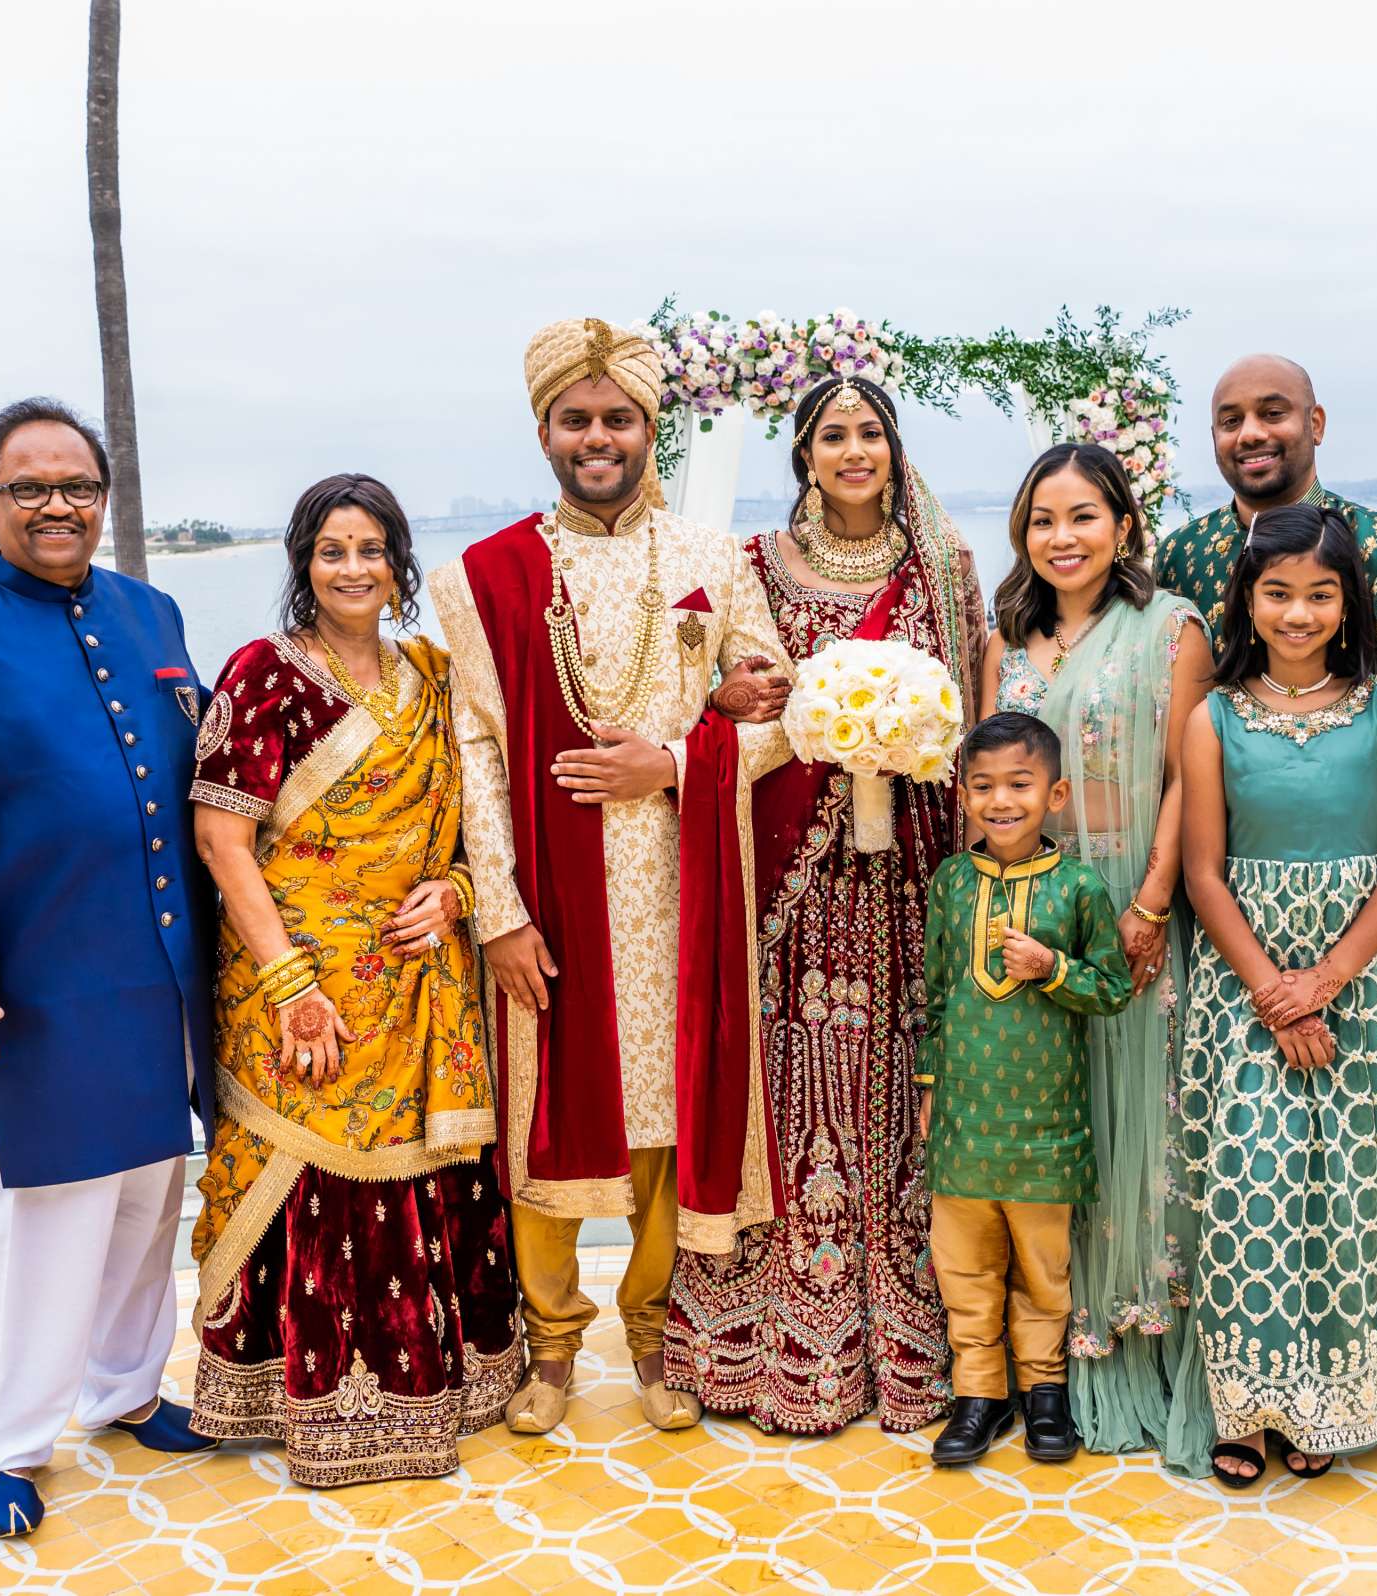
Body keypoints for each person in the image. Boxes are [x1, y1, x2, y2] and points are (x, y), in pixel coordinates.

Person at [427, 317, 794, 1436]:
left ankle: (650, 1336)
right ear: (544, 430)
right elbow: (473, 752)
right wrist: (499, 913)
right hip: (549, 886)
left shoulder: (708, 560)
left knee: (662, 1121)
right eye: (577, 420)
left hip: (684, 888)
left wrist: (674, 761)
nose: (599, 437)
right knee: (544, 1116)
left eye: (619, 419)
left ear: (652, 431)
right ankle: (549, 1349)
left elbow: (783, 715)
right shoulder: (479, 576)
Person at [0, 397, 217, 1539]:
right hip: (37, 983)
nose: (57, 505)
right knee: (40, 1212)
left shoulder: (151, 610)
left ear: (103, 500)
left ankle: (124, 1391)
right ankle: (5, 1447)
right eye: (30, 488)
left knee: (148, 1194)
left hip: (166, 969)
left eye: (76, 486)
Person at [185, 474, 521, 1485]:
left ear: (399, 561)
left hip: (418, 985)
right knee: (317, 1172)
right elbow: (219, 837)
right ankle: (302, 1399)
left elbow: (473, 823)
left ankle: (444, 1391)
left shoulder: (433, 674)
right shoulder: (264, 673)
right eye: (332, 551)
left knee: (426, 1167)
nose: (353, 568)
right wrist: (294, 985)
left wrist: (458, 892)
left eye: (371, 549)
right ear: (303, 564)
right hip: (300, 980)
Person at [665, 376, 981, 1436]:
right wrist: (724, 703)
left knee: (896, 1084)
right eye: (832, 436)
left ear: (895, 450)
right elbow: (705, 695)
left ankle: (901, 1336)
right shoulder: (751, 566)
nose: (855, 451)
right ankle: (767, 1340)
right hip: (791, 882)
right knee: (788, 1081)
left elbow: (975, 711)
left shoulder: (945, 566)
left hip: (906, 882)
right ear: (803, 455)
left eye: (872, 434)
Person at [1166, 502, 1377, 1487]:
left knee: (1354, 1190)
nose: (1298, 613)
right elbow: (1204, 871)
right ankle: (1249, 1401)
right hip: (1245, 983)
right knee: (1253, 1191)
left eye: (1319, 593)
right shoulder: (1212, 718)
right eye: (1277, 594)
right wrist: (1272, 990)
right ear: (1246, 603)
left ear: (1347, 603)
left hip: (1370, 985)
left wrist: (1327, 980)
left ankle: (1335, 1398)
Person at [977, 442, 1213, 1455]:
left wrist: (1153, 902)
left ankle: (1141, 1351)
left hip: (1130, 914)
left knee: (1138, 1127)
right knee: (1053, 1121)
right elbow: (987, 782)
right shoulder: (1009, 642)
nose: (1061, 538)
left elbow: (1188, 776)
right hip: (1034, 917)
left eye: (1082, 516)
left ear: (1124, 525)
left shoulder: (1171, 630)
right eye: (1042, 519)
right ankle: (1047, 1371)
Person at [919, 712, 1134, 1467]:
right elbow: (938, 995)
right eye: (983, 786)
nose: (1000, 800)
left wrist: (1054, 969)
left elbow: (1112, 990)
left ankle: (1046, 1391)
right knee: (965, 1263)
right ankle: (978, 1392)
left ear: (1056, 794)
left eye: (1019, 784)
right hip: (964, 1125)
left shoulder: (1077, 885)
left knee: (1044, 1269)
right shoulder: (951, 881)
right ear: (963, 795)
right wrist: (929, 1088)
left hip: (1048, 1121)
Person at [1152, 354, 1377, 795]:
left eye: (1273, 414)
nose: (1251, 433)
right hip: (1201, 833)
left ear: (1316, 424)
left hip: (1346, 840)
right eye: (1231, 421)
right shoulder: (1182, 552)